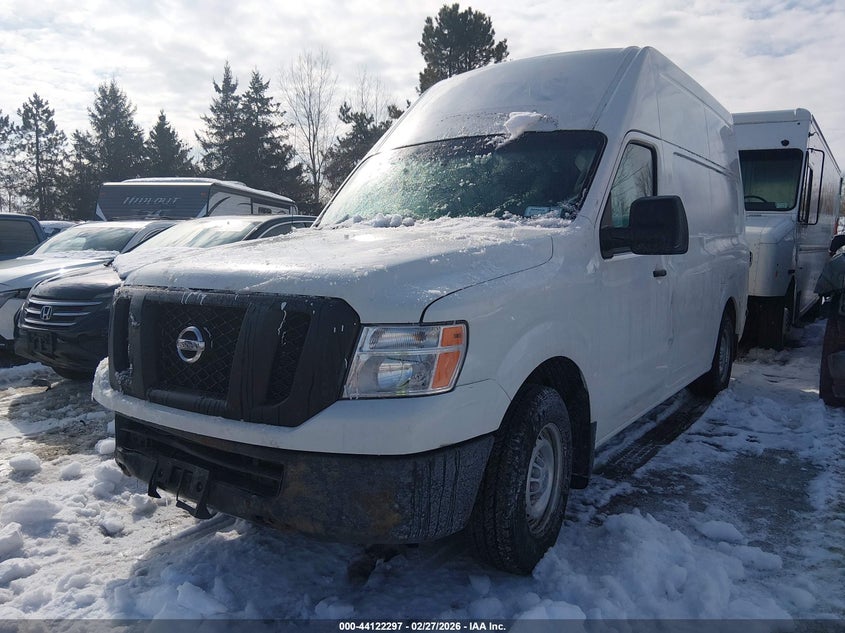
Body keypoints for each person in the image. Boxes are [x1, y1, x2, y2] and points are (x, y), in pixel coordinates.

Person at [815, 244, 845, 406]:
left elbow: (823, 289)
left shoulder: (839, 264)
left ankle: (831, 395)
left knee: (834, 353)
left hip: (840, 316)